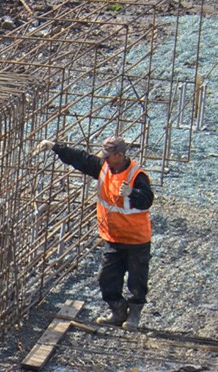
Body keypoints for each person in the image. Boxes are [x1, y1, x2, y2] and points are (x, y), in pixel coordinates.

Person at [35, 135, 155, 330]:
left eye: (108, 156)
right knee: (106, 278)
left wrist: (133, 193)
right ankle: (117, 311)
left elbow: (148, 199)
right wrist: (55, 147)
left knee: (137, 279)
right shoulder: (104, 168)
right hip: (113, 237)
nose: (104, 159)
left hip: (136, 240)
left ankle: (134, 314)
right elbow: (81, 159)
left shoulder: (136, 175)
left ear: (120, 155)